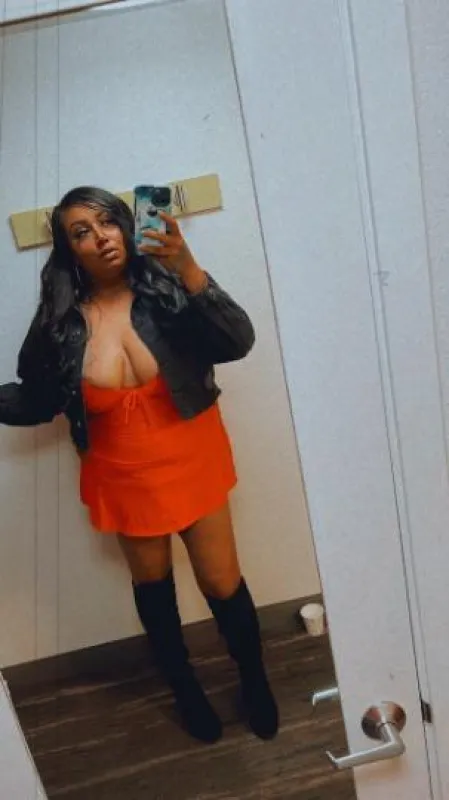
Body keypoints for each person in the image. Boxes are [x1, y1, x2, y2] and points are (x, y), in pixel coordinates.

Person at [0, 187, 279, 745]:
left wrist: (187, 264)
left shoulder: (166, 292)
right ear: (69, 250)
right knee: (153, 588)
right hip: (122, 474)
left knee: (222, 582)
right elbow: (36, 399)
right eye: (81, 231)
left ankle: (255, 682)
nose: (100, 236)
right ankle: (185, 690)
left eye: (107, 221)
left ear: (126, 225)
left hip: (193, 459)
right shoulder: (60, 324)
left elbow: (238, 340)